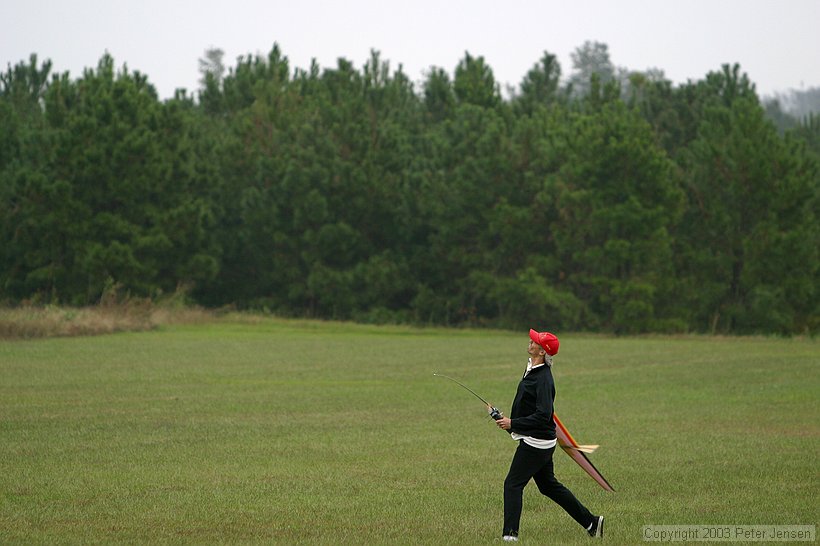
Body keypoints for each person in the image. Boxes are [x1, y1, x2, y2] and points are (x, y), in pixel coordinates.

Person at [494, 328, 604, 541]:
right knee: (548, 486)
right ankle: (592, 522)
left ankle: (510, 536)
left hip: (537, 443)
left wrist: (514, 423)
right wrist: (510, 423)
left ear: (542, 351)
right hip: (538, 440)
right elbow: (529, 408)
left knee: (512, 484)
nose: (531, 342)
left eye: (535, 341)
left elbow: (544, 415)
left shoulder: (544, 379)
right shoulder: (533, 369)